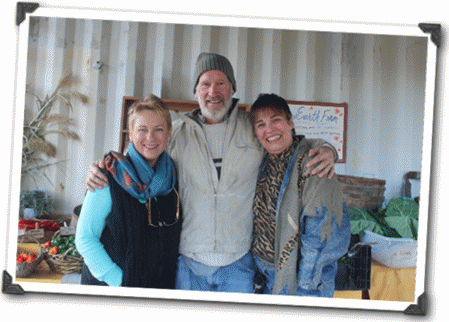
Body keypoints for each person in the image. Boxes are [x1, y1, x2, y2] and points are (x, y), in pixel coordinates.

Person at [85, 52, 336, 293]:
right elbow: (136, 156)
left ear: (233, 88)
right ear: (195, 91)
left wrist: (326, 148)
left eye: (221, 83)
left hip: (238, 263)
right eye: (205, 84)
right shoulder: (177, 131)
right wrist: (99, 168)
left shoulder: (252, 126)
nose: (213, 92)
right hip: (188, 262)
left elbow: (287, 144)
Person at [75, 94, 182, 289]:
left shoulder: (173, 176)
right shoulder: (108, 175)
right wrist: (121, 282)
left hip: (158, 287)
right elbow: (85, 239)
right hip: (114, 289)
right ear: (131, 133)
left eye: (158, 129)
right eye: (142, 129)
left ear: (168, 133)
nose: (150, 137)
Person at [249, 93, 350, 297]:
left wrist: (306, 287)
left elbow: (322, 235)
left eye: (276, 120)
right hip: (262, 274)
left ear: (291, 122)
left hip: (299, 280)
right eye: (261, 124)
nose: (269, 130)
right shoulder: (263, 160)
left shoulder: (314, 163)